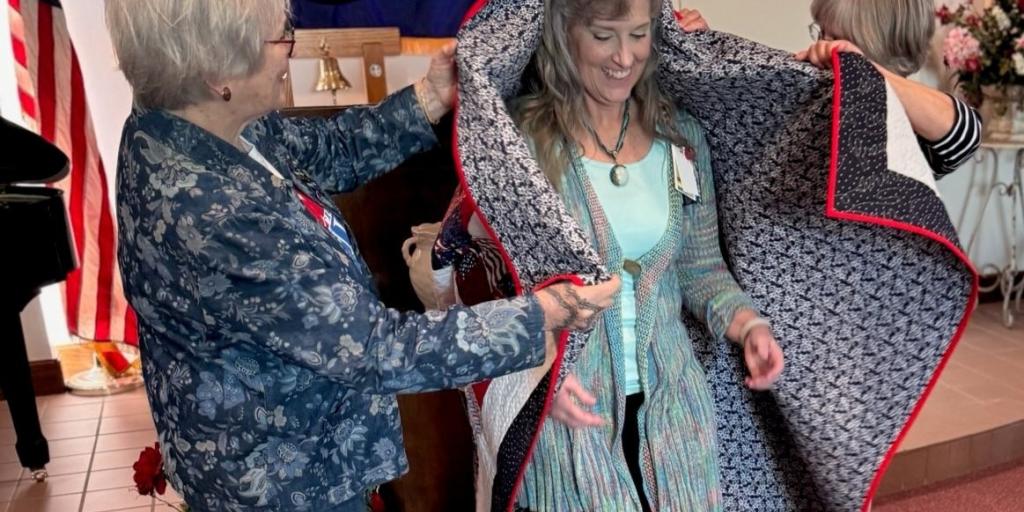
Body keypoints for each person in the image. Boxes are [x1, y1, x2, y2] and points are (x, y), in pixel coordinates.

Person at [105, 1, 619, 510]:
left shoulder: (195, 121)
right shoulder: (208, 208)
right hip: (283, 483)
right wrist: (543, 315)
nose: (291, 50)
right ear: (216, 70)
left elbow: (328, 149)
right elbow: (376, 350)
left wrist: (429, 96)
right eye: (280, 37)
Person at [433, 0, 784, 510]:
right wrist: (536, 368)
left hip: (674, 411)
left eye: (639, 35)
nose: (625, 56)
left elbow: (700, 268)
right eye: (604, 36)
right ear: (564, 35)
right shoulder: (521, 145)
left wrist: (750, 324)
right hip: (564, 415)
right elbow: (481, 279)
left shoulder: (681, 137)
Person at [797, 0, 982, 177]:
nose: (822, 47)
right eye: (821, 33)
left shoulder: (904, 130)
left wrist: (862, 69)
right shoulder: (806, 95)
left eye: (837, 39)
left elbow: (965, 135)